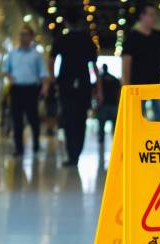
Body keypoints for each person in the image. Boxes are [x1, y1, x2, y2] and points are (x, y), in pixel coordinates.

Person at [49, 8, 102, 167]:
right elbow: (94, 67)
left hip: (65, 83)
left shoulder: (61, 39)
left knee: (68, 119)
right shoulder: (88, 40)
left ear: (66, 22)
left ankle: (72, 155)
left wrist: (53, 80)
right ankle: (76, 153)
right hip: (84, 84)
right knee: (81, 120)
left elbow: (51, 60)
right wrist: (99, 89)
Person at [2, 25, 49, 157]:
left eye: (26, 34)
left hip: (31, 90)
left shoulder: (36, 55)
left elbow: (43, 73)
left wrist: (45, 88)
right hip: (17, 89)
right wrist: (10, 77)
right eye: (21, 34)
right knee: (17, 120)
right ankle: (19, 148)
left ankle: (35, 143)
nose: (23, 37)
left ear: (31, 37)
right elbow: (5, 69)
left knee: (33, 118)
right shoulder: (12, 54)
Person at [122, 2, 160, 122]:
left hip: (156, 83)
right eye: (151, 15)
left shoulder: (159, 35)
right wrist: (126, 86)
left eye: (155, 15)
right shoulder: (132, 37)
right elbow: (126, 63)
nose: (155, 18)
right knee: (138, 119)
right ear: (141, 16)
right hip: (137, 85)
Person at [97, 64, 121, 143]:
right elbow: (119, 91)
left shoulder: (100, 79)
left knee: (101, 126)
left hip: (104, 105)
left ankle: (101, 142)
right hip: (113, 104)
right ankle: (116, 141)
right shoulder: (114, 79)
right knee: (115, 126)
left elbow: (97, 91)